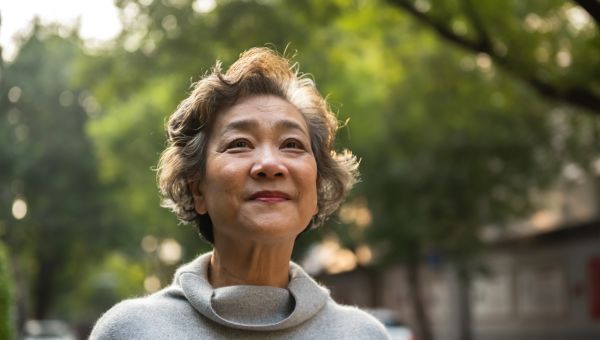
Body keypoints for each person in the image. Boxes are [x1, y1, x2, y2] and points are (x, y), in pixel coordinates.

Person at [90, 47, 390, 339]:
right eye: (240, 143)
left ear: (316, 189)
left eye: (292, 144)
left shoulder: (362, 334)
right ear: (197, 190)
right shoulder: (131, 330)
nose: (270, 165)